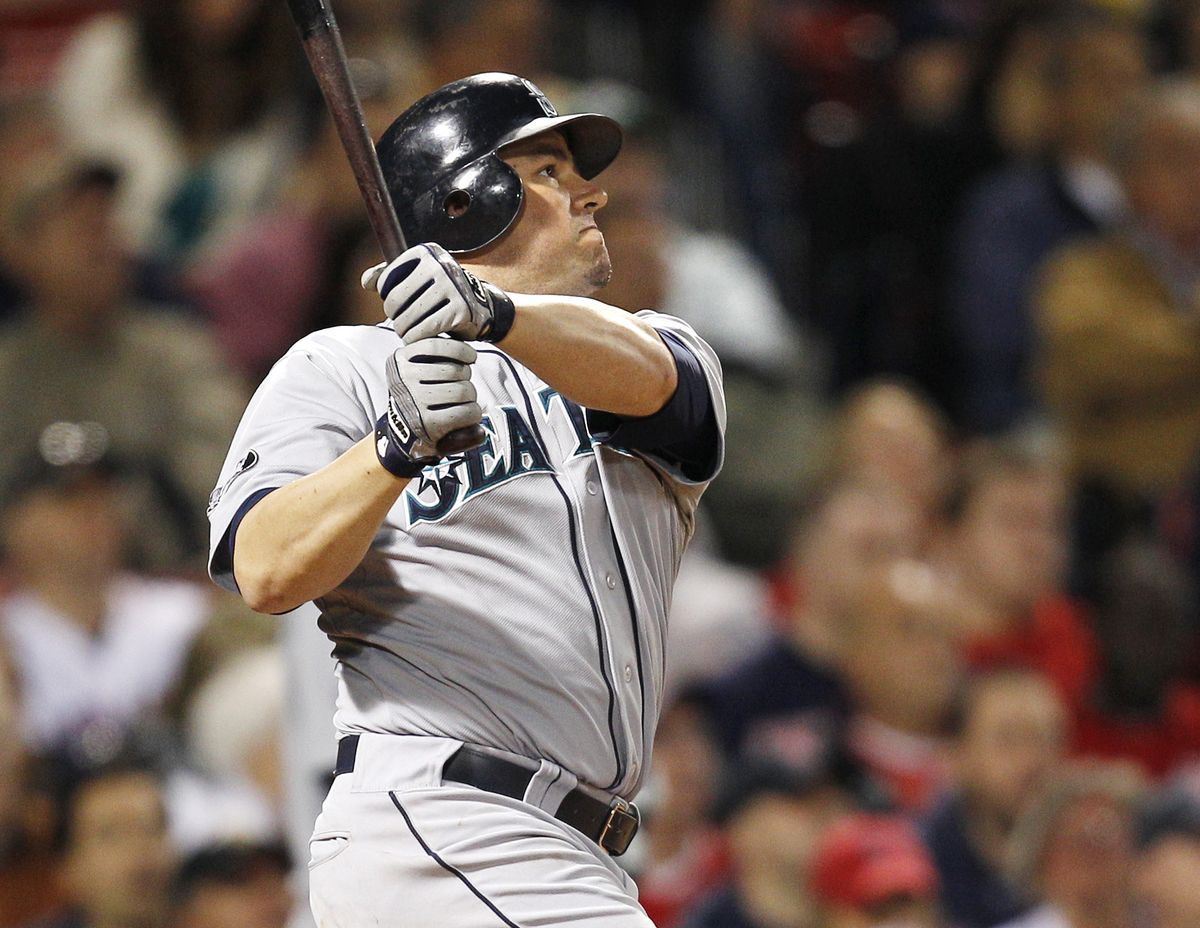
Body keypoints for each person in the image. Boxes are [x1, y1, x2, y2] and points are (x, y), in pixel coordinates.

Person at [207, 73, 725, 927]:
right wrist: (391, 449)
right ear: (465, 202)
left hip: (570, 847)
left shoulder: (646, 348)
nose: (593, 192)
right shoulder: (341, 367)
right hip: (444, 822)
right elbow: (262, 568)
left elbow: (657, 383)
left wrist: (492, 312)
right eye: (550, 172)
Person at [923, 667, 1069, 928]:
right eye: (1008, 740)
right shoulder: (919, 866)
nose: (1031, 760)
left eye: (1045, 739)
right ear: (956, 756)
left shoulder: (1090, 863)